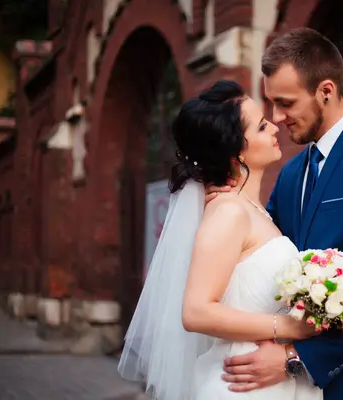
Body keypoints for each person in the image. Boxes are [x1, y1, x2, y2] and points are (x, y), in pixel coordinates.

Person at [207, 28, 343, 400]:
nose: (277, 117)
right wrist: (230, 204)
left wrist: (296, 357)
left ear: (326, 91)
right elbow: (260, 254)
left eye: (286, 103)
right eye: (272, 103)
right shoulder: (290, 174)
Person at [117, 80, 323, 400]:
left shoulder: (254, 210)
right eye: (261, 126)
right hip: (242, 382)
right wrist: (289, 329)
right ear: (235, 152)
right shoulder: (229, 213)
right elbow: (196, 312)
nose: (274, 126)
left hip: (269, 378)